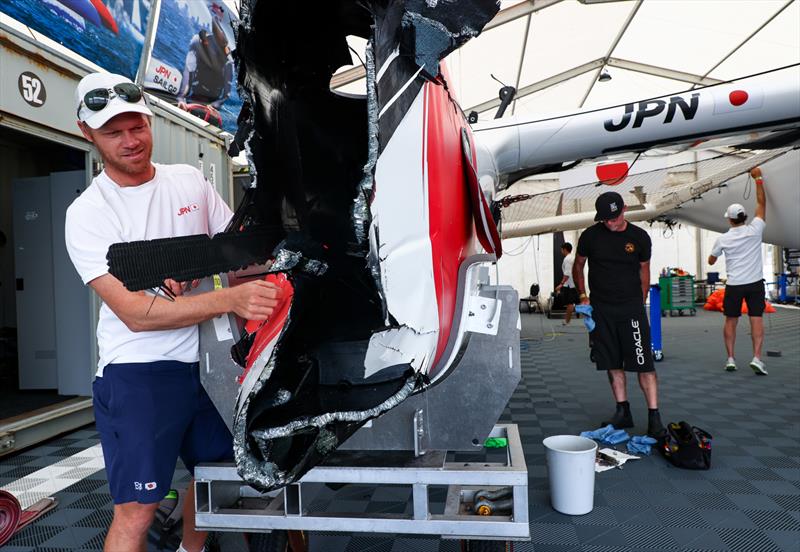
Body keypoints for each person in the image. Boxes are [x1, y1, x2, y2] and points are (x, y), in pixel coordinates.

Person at [66, 72, 281, 552]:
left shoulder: (188, 181)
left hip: (209, 368)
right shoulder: (88, 213)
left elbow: (240, 258)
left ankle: (190, 549)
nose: (130, 140)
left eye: (136, 125)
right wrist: (228, 299)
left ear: (150, 119)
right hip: (139, 374)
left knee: (217, 481)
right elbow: (136, 314)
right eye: (113, 132)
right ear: (87, 133)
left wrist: (278, 259)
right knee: (137, 511)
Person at [573, 191, 664, 438]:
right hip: (602, 310)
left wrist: (640, 299)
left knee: (644, 364)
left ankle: (654, 417)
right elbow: (579, 264)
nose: (610, 223)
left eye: (613, 217)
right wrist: (583, 295)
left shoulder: (639, 237)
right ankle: (623, 411)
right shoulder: (590, 236)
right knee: (612, 363)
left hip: (631, 309)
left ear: (623, 210)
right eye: (605, 219)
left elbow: (644, 270)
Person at [708, 167, 768, 375]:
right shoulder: (755, 230)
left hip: (734, 285)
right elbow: (762, 204)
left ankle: (731, 359)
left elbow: (711, 260)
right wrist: (758, 178)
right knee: (756, 319)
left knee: (730, 321)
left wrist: (715, 255)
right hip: (754, 284)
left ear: (729, 219)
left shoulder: (723, 239)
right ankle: (757, 358)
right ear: (744, 217)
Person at [554, 242, 578, 325]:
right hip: (574, 283)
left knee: (570, 303)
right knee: (573, 303)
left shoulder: (567, 259)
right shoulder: (573, 257)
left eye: (562, 249)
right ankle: (567, 320)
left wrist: (561, 284)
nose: (561, 251)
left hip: (570, 284)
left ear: (564, 249)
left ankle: (567, 321)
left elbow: (567, 274)